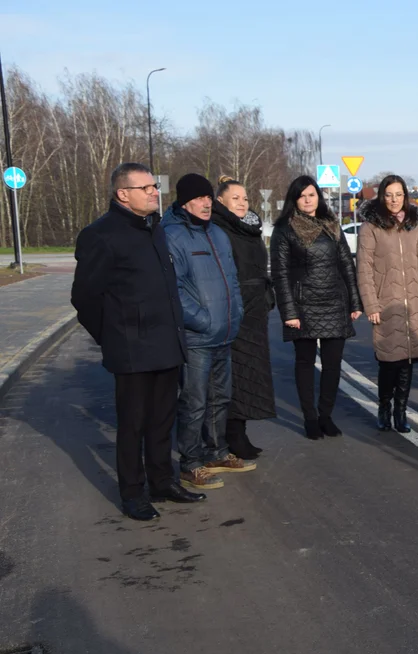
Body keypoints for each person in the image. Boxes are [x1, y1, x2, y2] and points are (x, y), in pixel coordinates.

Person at [71, 163, 205, 521]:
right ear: (123, 194)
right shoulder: (101, 235)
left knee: (162, 421)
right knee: (132, 426)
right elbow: (85, 298)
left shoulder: (154, 228)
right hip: (131, 349)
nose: (154, 192)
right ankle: (133, 494)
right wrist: (113, 335)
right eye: (145, 188)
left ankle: (163, 482)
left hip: (166, 342)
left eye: (154, 186)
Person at [160, 173, 249, 492]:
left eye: (209, 197)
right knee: (194, 401)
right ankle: (190, 462)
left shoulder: (218, 234)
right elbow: (174, 290)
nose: (207, 203)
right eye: (200, 198)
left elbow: (232, 279)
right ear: (185, 202)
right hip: (197, 336)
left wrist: (235, 313)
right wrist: (202, 320)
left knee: (220, 398)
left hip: (224, 332)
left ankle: (216, 452)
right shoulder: (172, 236)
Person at [270, 175, 363, 440]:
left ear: (319, 197)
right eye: (303, 196)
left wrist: (355, 302)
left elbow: (346, 264)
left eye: (312, 194)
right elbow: (280, 273)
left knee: (333, 366)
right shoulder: (284, 229)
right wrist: (289, 312)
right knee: (305, 363)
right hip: (303, 305)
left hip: (335, 302)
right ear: (295, 200)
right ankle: (310, 418)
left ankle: (326, 416)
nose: (308, 200)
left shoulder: (331, 224)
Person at [356, 175, 418, 434]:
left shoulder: (414, 227)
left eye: (398, 194)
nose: (394, 200)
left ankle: (401, 412)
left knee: (407, 359)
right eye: (389, 195)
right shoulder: (370, 228)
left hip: (412, 303)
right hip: (386, 305)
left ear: (406, 196)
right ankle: (384, 407)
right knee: (388, 361)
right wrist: (372, 305)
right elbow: (364, 271)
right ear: (381, 196)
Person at [211, 176, 276, 459]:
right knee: (233, 373)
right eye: (235, 197)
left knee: (251, 372)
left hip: (255, 310)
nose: (242, 202)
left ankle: (241, 432)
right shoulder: (217, 228)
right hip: (232, 308)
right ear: (220, 201)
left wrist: (266, 295)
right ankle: (229, 436)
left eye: (245, 198)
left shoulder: (250, 228)